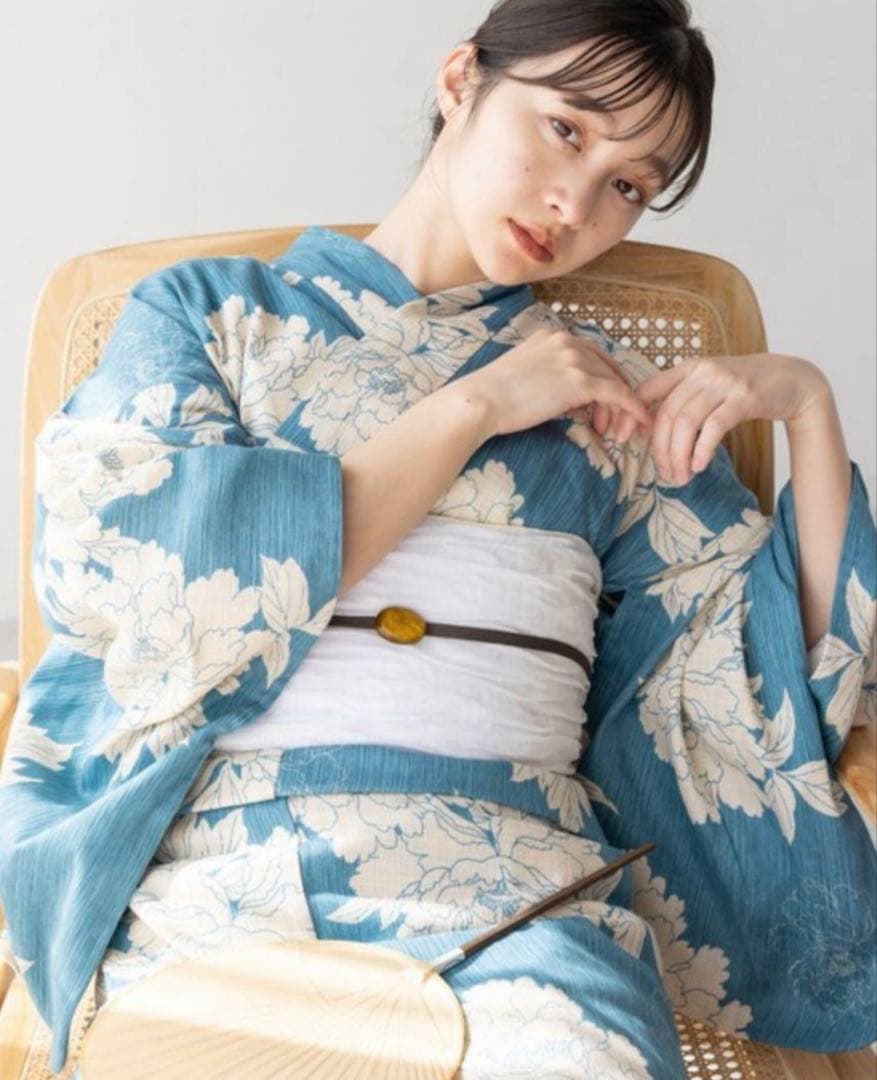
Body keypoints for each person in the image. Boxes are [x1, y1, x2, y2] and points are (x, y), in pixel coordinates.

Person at [1, 1, 874, 1076]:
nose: (574, 202)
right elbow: (137, 587)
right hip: (222, 866)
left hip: (517, 888)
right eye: (564, 128)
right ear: (461, 79)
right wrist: (476, 406)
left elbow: (771, 665)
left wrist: (805, 407)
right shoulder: (207, 317)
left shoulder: (603, 400)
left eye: (628, 185)